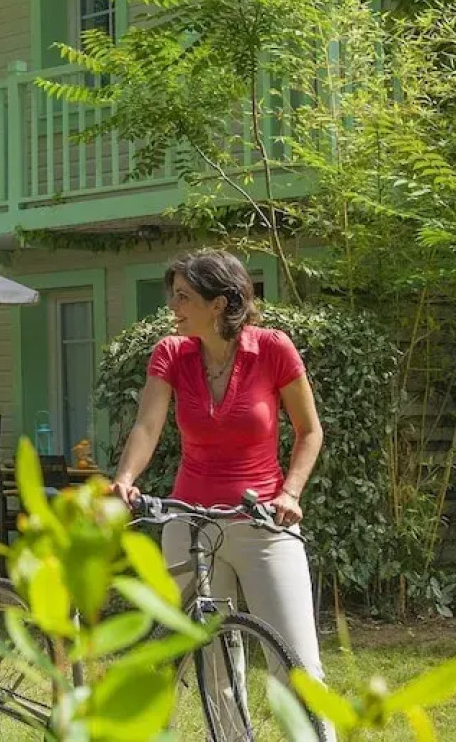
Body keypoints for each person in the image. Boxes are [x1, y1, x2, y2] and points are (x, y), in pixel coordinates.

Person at [110, 250, 330, 703]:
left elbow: (310, 432)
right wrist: (126, 478)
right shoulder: (171, 353)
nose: (174, 307)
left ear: (219, 304)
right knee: (215, 670)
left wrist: (290, 493)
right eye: (173, 296)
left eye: (184, 297)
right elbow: (147, 426)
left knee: (299, 667)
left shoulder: (272, 349)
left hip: (263, 522)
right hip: (189, 524)